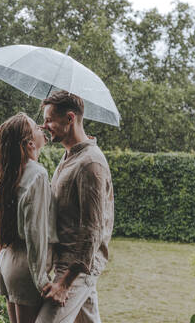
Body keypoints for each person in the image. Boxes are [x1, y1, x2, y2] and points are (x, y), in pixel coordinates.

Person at [36, 91, 114, 323]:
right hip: (66, 261)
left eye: (49, 119)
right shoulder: (70, 155)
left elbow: (93, 229)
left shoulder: (90, 163)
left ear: (70, 118)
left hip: (75, 268)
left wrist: (64, 282)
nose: (45, 125)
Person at [0, 113, 59, 323]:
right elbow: (35, 233)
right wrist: (41, 280)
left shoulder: (4, 174)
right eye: (37, 128)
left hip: (8, 262)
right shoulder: (37, 174)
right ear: (29, 143)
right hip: (28, 269)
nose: (43, 129)